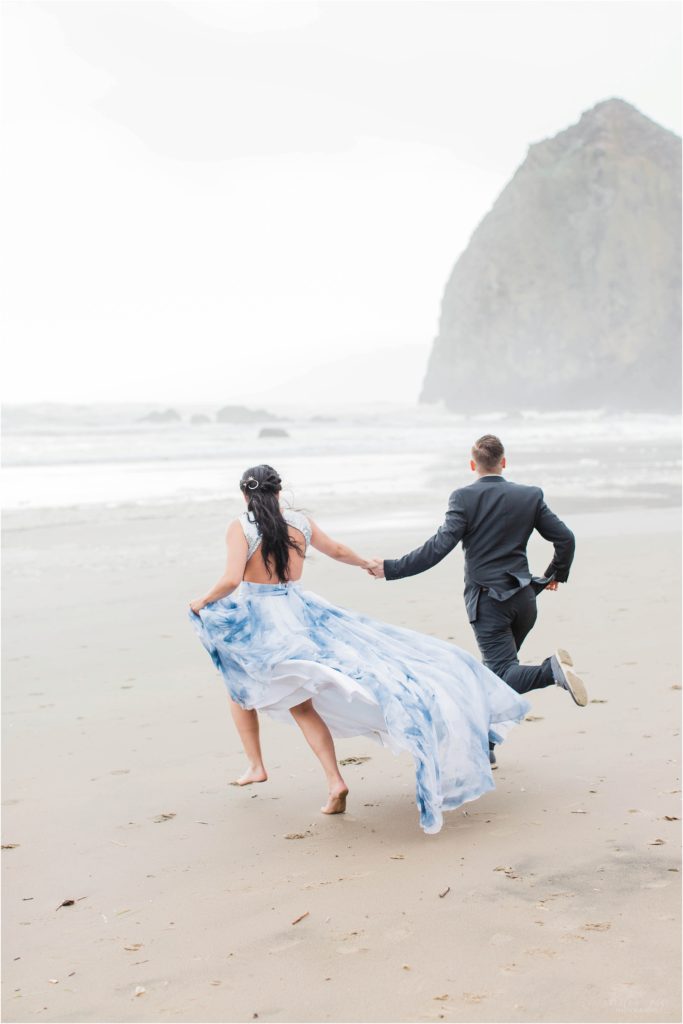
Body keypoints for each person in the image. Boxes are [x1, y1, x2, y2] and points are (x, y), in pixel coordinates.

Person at [189, 463, 530, 835]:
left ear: (245, 494)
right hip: (301, 613)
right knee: (301, 703)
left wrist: (200, 601)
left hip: (259, 619)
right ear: (278, 491)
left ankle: (258, 766)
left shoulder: (240, 526)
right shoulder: (299, 523)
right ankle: (331, 781)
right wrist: (366, 562)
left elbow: (230, 579)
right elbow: (335, 549)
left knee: (238, 685)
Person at [367, 435, 587, 766]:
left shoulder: (464, 498)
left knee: (501, 671)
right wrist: (556, 574)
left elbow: (437, 548)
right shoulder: (529, 496)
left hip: (489, 602)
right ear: (504, 462)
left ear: (473, 465)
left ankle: (550, 671)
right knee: (493, 677)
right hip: (525, 601)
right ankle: (486, 746)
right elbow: (565, 539)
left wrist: (392, 568)